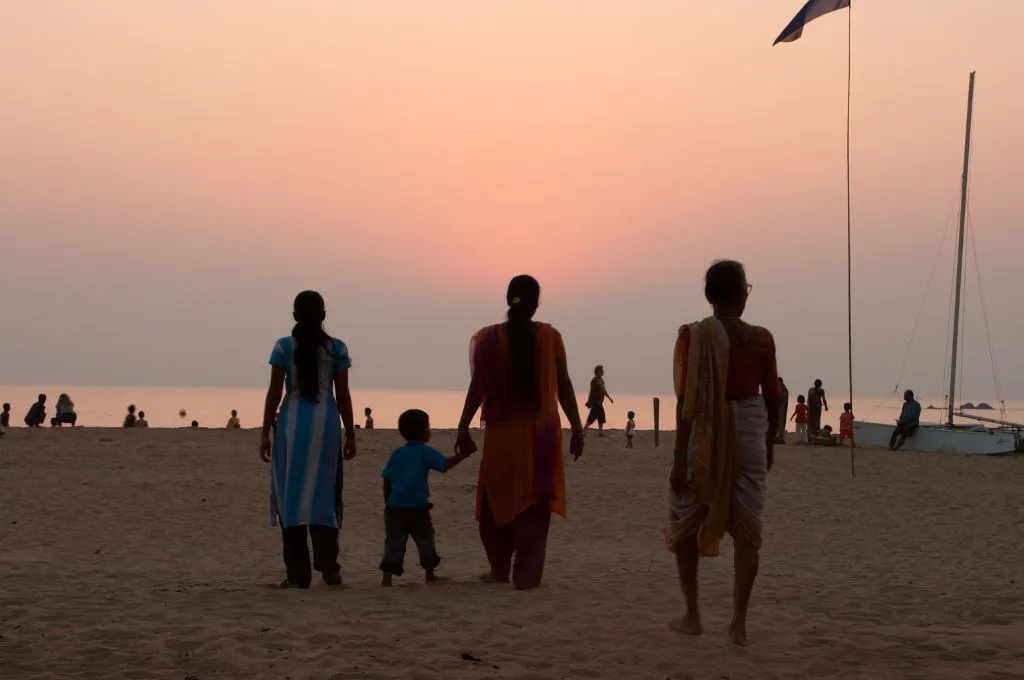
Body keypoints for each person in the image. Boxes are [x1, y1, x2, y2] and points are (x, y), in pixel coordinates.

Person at [666, 260, 780, 646]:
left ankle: (693, 615)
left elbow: (687, 401)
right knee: (748, 527)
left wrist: (680, 457)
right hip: (748, 430)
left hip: (706, 433)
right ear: (742, 294)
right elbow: (773, 396)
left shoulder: (694, 337)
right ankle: (738, 624)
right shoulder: (761, 338)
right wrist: (768, 443)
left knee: (684, 517)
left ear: (709, 296)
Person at [455, 274, 585, 590]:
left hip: (501, 438)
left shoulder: (489, 338)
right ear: (536, 303)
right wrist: (577, 427)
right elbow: (565, 386)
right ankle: (526, 573)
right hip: (541, 437)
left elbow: (477, 388)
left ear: (508, 299)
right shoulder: (550, 337)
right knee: (534, 503)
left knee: (495, 502)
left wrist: (463, 426)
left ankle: (499, 568)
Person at [259, 290, 356, 589]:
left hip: (292, 427)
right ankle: (328, 564)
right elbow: (343, 396)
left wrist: (264, 432)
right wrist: (350, 432)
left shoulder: (284, 347)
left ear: (294, 316)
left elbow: (275, 392)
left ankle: (298, 574)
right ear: (323, 316)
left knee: (291, 496)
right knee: (325, 493)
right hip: (325, 424)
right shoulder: (336, 349)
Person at [380, 409, 473, 586]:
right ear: (424, 431)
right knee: (425, 540)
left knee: (394, 542)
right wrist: (462, 455)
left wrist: (388, 500)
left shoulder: (398, 454)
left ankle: (387, 578)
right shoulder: (424, 452)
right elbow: (444, 465)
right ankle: (429, 575)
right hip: (417, 508)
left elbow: (387, 479)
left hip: (395, 507)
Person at [584, 365, 614, 436]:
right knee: (592, 417)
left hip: (598, 402)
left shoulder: (599, 380)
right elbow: (602, 390)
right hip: (596, 402)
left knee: (600, 416)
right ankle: (583, 431)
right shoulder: (597, 380)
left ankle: (600, 432)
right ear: (598, 372)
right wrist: (609, 398)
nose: (603, 372)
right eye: (601, 371)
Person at [776, 377, 789, 444]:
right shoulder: (783, 389)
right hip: (780, 410)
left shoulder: (783, 390)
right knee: (779, 424)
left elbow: (783, 401)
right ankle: (780, 439)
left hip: (781, 410)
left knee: (780, 425)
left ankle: (780, 439)